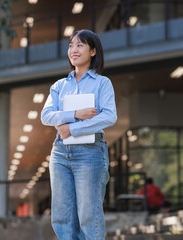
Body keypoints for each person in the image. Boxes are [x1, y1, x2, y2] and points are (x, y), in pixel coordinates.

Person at [41, 29, 117, 240]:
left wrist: (70, 128)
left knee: (88, 215)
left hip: (90, 152)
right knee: (62, 216)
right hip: (60, 153)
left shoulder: (102, 83)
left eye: (80, 45)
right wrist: (77, 114)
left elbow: (109, 117)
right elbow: (46, 116)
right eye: (71, 45)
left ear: (93, 51)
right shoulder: (59, 86)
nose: (73, 50)